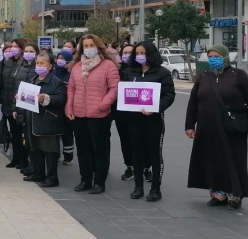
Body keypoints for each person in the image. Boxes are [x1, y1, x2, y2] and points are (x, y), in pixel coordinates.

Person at [185, 44, 248, 210]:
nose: (213, 59)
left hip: (232, 128)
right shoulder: (203, 76)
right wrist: (190, 125)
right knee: (212, 160)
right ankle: (218, 194)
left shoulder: (238, 76)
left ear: (226, 57)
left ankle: (235, 194)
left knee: (234, 160)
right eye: (210, 56)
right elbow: (193, 102)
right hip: (207, 128)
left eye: (217, 56)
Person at [65, 34, 120, 194]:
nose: (89, 48)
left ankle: (99, 182)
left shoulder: (108, 65)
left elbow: (114, 88)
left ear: (98, 46)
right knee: (83, 149)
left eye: (91, 45)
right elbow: (71, 88)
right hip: (79, 114)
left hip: (99, 115)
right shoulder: (76, 66)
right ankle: (85, 180)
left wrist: (102, 105)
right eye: (86, 46)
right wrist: (69, 107)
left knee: (99, 150)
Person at [124, 41, 175, 201]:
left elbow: (169, 95)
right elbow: (123, 92)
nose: (140, 57)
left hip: (153, 119)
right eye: (137, 54)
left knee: (154, 153)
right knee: (136, 151)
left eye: (143, 53)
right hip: (134, 118)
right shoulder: (129, 72)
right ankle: (138, 186)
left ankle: (155, 188)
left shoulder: (162, 73)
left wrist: (156, 108)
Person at [13, 51, 66, 186]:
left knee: (49, 151)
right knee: (35, 149)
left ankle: (52, 178)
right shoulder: (33, 79)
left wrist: (46, 98)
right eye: (37, 63)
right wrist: (20, 99)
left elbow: (61, 99)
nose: (39, 65)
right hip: (32, 120)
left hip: (48, 121)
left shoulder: (56, 82)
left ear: (50, 66)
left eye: (42, 63)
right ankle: (38, 173)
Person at [0, 39, 36, 171]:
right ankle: (16, 158)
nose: (13, 49)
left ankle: (23, 159)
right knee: (14, 134)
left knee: (23, 135)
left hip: (23, 104)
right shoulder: (11, 63)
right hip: (10, 102)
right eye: (12, 46)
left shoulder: (26, 65)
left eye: (16, 46)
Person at [116, 43, 137, 182]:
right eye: (125, 52)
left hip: (138, 113)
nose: (127, 55)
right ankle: (129, 166)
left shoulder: (140, 71)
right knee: (125, 141)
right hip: (121, 113)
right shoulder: (116, 71)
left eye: (130, 52)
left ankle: (145, 168)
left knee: (139, 141)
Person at [53, 48, 75, 164]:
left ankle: (68, 155)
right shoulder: (53, 72)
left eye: (63, 58)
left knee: (67, 133)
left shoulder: (71, 74)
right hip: (55, 107)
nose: (60, 60)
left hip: (66, 107)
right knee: (55, 132)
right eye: (59, 58)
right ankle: (55, 154)